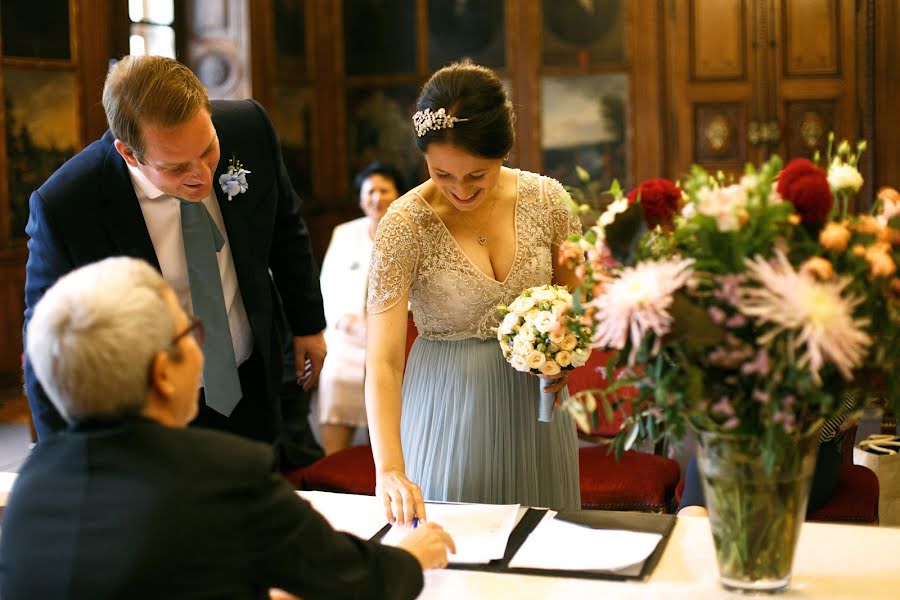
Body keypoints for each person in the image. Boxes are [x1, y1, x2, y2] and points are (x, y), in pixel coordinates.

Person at [0, 257, 455, 599]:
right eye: (192, 333)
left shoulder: (33, 486)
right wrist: (413, 555)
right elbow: (348, 578)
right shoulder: (224, 474)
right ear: (162, 373)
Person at [23, 55, 327, 454]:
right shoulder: (67, 206)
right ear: (129, 154)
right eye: (176, 167)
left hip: (250, 372)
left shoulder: (249, 129)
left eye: (208, 150)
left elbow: (285, 225)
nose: (201, 175)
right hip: (149, 400)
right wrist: (61, 466)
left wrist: (308, 324)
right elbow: (45, 344)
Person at [365, 62, 582, 525]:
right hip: (448, 409)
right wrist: (389, 470)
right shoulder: (404, 226)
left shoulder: (548, 202)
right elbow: (382, 361)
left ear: (503, 151)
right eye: (443, 174)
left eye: (477, 175)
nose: (461, 190)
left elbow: (577, 303)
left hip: (537, 412)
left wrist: (565, 349)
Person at [317, 162, 405, 454]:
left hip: (395, 337)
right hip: (348, 336)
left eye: (384, 190)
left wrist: (385, 325)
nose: (377, 198)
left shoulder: (411, 234)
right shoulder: (345, 233)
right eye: (370, 191)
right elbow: (327, 283)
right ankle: (333, 463)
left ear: (398, 194)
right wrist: (348, 322)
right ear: (360, 198)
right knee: (334, 373)